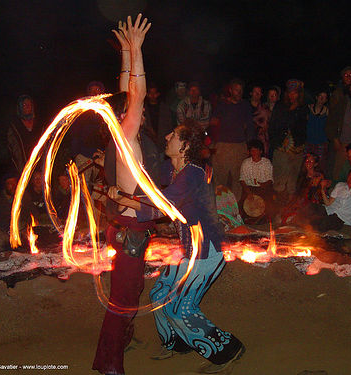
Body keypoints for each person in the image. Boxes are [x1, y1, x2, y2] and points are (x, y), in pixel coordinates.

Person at [108, 124, 245, 374]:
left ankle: (227, 349)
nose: (167, 136)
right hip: (188, 249)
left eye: (173, 135)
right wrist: (121, 187)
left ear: (184, 146)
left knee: (180, 307)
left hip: (206, 253)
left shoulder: (192, 173)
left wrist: (124, 199)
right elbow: (148, 186)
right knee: (159, 295)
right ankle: (177, 343)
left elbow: (163, 204)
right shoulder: (172, 170)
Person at [92, 15, 156, 375]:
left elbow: (125, 90)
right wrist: (136, 49)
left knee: (130, 294)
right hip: (130, 228)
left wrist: (126, 58)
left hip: (127, 227)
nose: (140, 111)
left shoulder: (120, 140)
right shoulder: (127, 136)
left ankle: (124, 340)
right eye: (134, 111)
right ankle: (109, 363)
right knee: (122, 299)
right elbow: (137, 93)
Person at [210, 78, 255, 200]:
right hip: (222, 146)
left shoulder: (245, 105)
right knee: (220, 179)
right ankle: (220, 208)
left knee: (238, 179)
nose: (238, 93)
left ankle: (235, 210)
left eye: (241, 91)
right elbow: (213, 123)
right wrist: (213, 143)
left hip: (239, 146)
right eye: (236, 90)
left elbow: (250, 126)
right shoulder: (222, 104)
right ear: (230, 90)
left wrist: (249, 146)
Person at [268, 79, 308, 202]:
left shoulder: (303, 108)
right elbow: (273, 126)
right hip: (281, 148)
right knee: (279, 178)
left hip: (296, 149)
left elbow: (303, 128)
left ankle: (289, 208)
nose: (292, 95)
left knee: (292, 179)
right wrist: (276, 142)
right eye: (290, 92)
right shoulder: (280, 106)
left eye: (295, 92)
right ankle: (277, 207)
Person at [238, 139, 276, 222]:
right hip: (249, 188)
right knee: (242, 207)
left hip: (264, 188)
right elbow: (242, 180)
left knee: (270, 209)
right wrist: (249, 192)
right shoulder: (246, 163)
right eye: (252, 150)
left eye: (256, 150)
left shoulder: (266, 162)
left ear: (261, 151)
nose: (254, 152)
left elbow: (270, 180)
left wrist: (263, 185)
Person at [7, 95, 45, 173]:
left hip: (40, 165)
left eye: (29, 104)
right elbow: (13, 148)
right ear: (20, 108)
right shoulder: (15, 127)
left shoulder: (40, 124)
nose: (27, 107)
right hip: (23, 167)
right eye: (24, 105)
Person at [144, 82, 173, 152]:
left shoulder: (164, 108)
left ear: (158, 94)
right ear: (147, 94)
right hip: (148, 143)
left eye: (154, 93)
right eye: (150, 93)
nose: (153, 96)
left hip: (162, 142)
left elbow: (169, 125)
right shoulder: (144, 109)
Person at [305, 90, 329, 172]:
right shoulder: (308, 109)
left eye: (324, 97)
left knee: (320, 165)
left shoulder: (327, 112)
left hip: (321, 142)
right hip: (309, 141)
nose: (322, 99)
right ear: (316, 97)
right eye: (320, 96)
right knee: (306, 164)